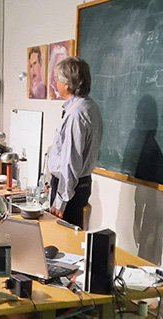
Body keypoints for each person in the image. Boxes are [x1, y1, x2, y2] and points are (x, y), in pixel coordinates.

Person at [48, 57, 103, 229]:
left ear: (67, 84)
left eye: (57, 79)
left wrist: (61, 200)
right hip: (79, 185)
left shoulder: (76, 115)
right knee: (70, 237)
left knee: (61, 238)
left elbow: (71, 162)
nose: (55, 83)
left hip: (70, 189)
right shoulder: (90, 106)